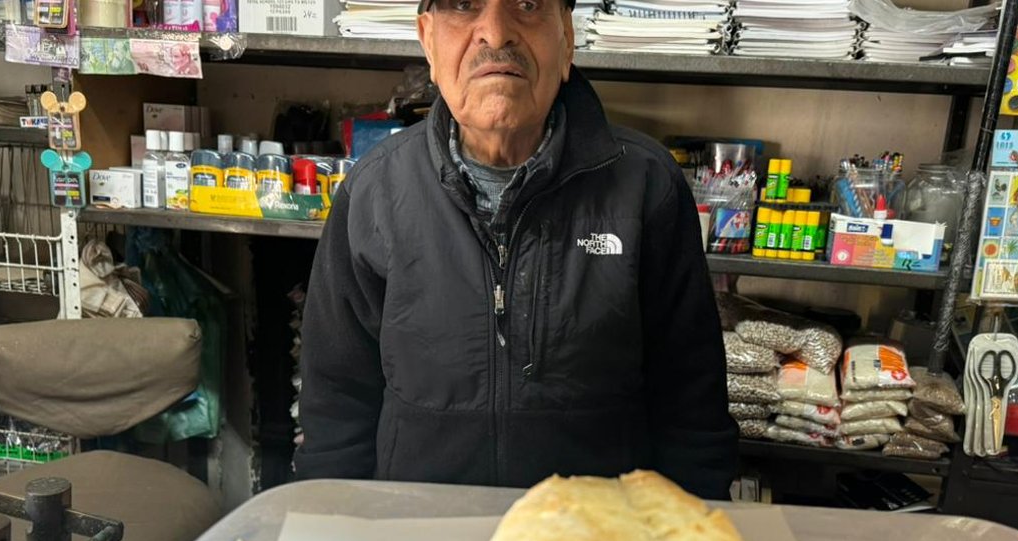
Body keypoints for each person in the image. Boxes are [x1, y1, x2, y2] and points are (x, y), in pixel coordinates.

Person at [295, 0, 736, 498]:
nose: (495, 33)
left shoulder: (647, 186)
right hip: (418, 538)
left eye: (527, 5)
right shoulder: (373, 193)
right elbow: (335, 408)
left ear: (566, 38)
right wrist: (333, 533)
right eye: (463, 6)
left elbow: (692, 409)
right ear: (427, 40)